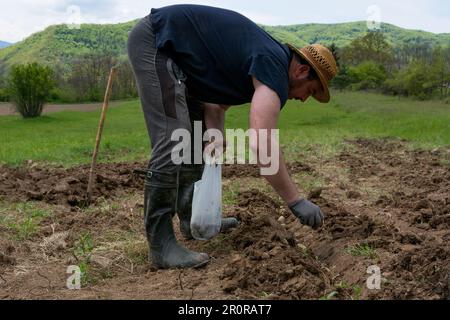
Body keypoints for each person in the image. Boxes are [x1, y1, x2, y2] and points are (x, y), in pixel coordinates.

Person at [127, 4, 338, 269]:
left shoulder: (264, 61)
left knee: (193, 143)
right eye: (311, 90)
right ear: (302, 71)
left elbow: (216, 103)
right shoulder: (273, 67)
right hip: (158, 42)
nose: (305, 99)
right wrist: (295, 200)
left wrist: (214, 134)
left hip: (182, 64)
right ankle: (160, 246)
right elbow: (263, 143)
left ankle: (192, 219)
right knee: (174, 140)